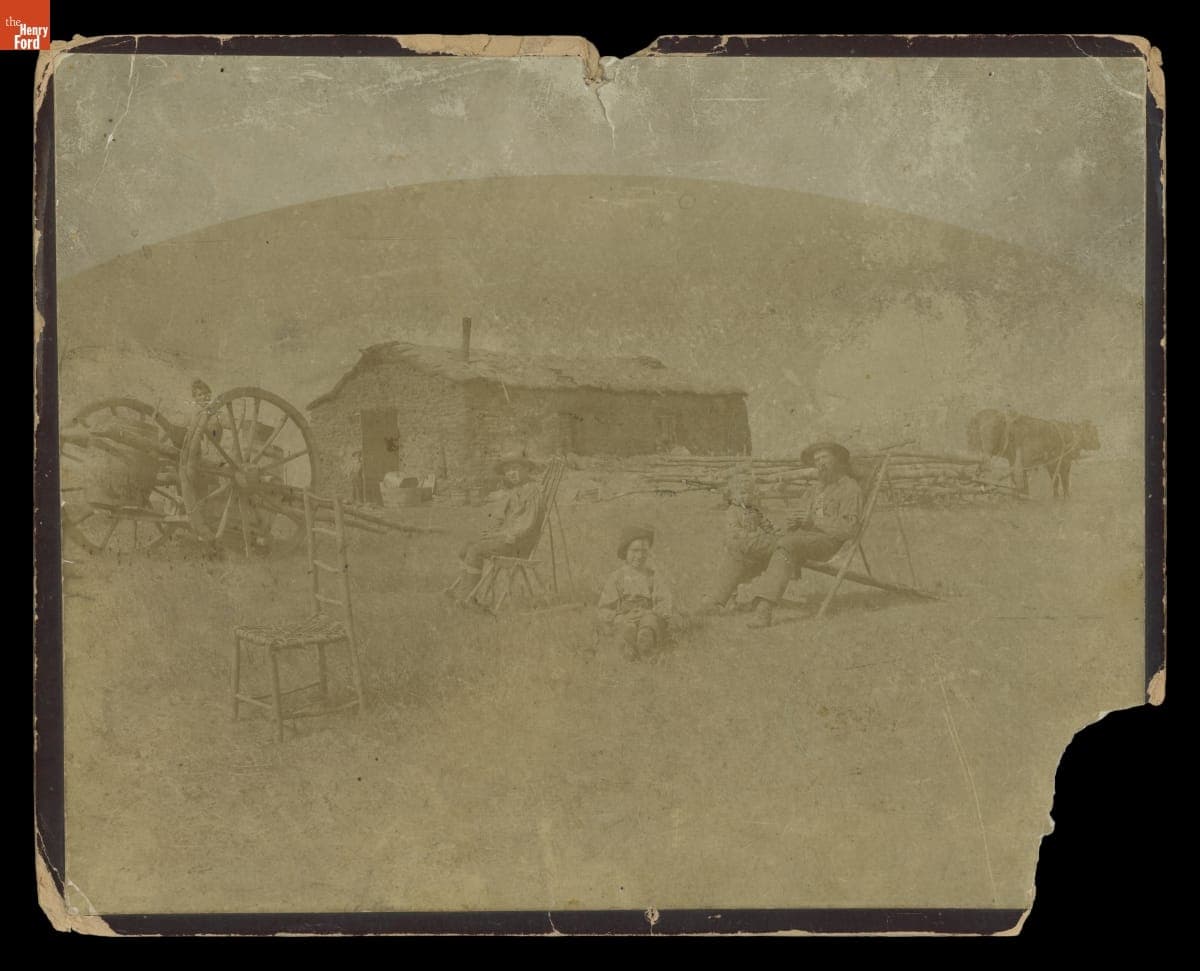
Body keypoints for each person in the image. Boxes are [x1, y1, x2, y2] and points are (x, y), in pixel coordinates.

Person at [731, 442, 863, 629]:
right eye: (817, 460)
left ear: (837, 459)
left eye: (825, 457)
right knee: (748, 542)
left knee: (787, 545)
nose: (820, 463)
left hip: (828, 544)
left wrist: (813, 521)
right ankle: (717, 599)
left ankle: (764, 610)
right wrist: (794, 520)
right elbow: (799, 515)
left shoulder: (850, 489)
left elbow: (848, 530)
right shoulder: (815, 489)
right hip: (802, 538)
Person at [445, 451, 545, 603]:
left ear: (526, 469)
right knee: (466, 547)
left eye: (515, 468)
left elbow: (526, 525)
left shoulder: (533, 491)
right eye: (507, 470)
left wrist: (499, 535)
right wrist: (493, 531)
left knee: (476, 550)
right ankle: (464, 590)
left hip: (519, 544)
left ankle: (467, 598)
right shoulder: (514, 491)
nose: (511, 473)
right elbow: (500, 517)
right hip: (507, 540)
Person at [698, 472, 779, 613]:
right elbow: (734, 531)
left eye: (749, 493)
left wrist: (773, 531)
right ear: (733, 495)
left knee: (740, 569)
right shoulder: (733, 511)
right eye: (742, 493)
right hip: (738, 546)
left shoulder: (755, 511)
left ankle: (720, 598)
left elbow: (767, 525)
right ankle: (729, 600)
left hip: (752, 548)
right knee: (732, 569)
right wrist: (748, 536)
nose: (745, 497)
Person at [597, 524, 676, 660]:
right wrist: (619, 617)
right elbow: (604, 608)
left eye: (644, 551)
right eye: (635, 550)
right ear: (625, 551)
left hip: (649, 616)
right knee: (627, 628)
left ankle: (646, 647)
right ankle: (628, 648)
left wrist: (651, 612)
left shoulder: (653, 576)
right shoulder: (617, 577)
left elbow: (665, 602)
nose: (639, 556)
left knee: (649, 625)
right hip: (626, 618)